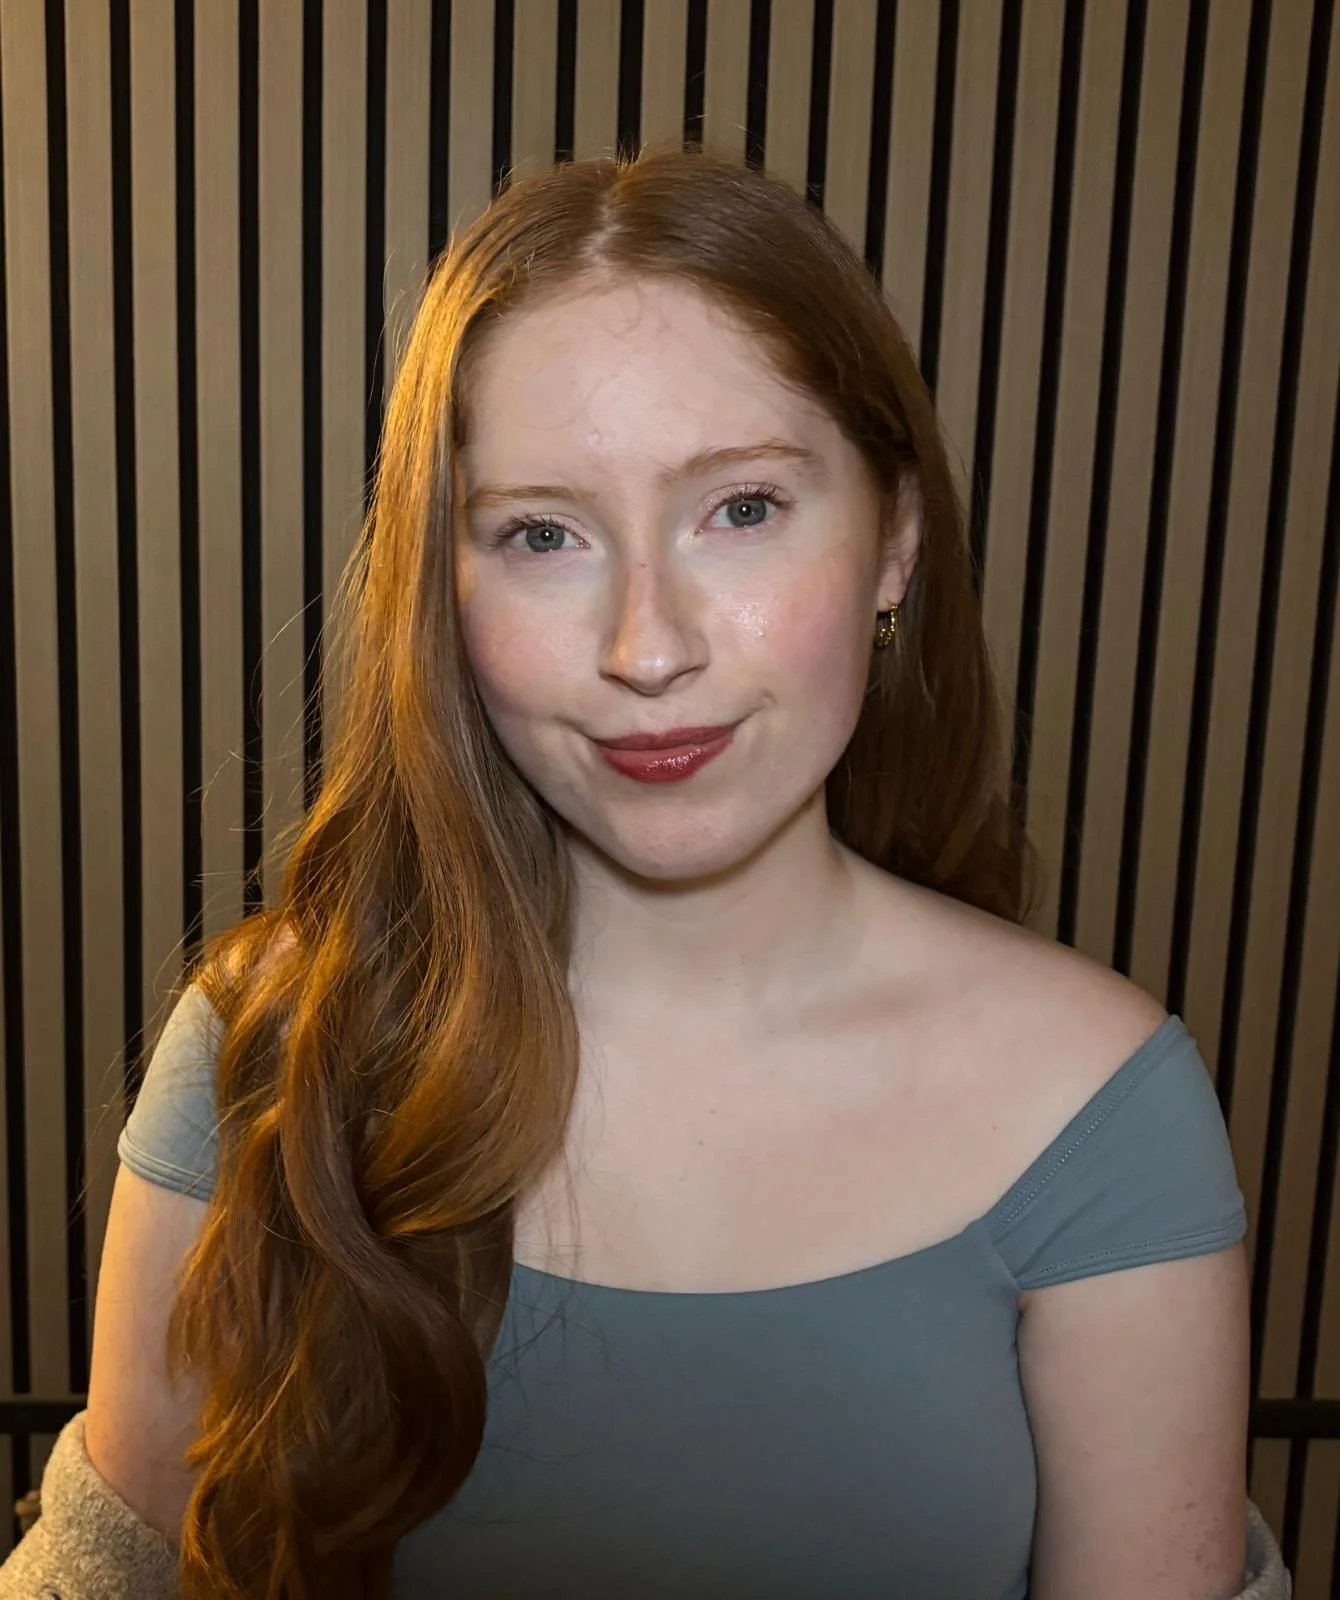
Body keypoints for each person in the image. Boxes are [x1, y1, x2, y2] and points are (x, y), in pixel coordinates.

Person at [0, 145, 1290, 1600]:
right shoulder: (270, 1052)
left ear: (896, 541)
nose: (648, 646)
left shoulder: (1102, 1109)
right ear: (447, 584)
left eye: (741, 509)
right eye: (542, 535)